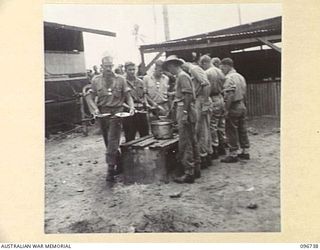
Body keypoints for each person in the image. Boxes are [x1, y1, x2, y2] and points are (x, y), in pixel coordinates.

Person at [88, 55, 135, 181]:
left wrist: (131, 107)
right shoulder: (96, 80)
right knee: (108, 141)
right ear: (102, 66)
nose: (109, 68)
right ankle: (119, 164)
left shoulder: (121, 80)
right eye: (106, 66)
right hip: (103, 114)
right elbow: (90, 97)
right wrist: (95, 109)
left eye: (110, 66)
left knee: (113, 139)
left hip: (117, 113)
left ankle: (110, 169)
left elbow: (128, 96)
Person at [163, 55, 201, 184]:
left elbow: (188, 95)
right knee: (192, 140)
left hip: (186, 110)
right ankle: (196, 169)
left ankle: (189, 172)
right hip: (187, 110)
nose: (169, 71)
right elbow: (184, 93)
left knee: (185, 143)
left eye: (169, 68)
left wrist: (184, 112)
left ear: (173, 66)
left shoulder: (182, 76)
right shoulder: (182, 76)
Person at [182, 62, 212, 168]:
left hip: (200, 100)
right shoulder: (193, 70)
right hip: (199, 100)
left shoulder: (194, 69)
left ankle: (203, 156)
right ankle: (206, 155)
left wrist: (205, 102)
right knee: (203, 130)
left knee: (200, 131)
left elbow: (206, 84)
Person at [220, 58, 250, 163]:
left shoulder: (229, 78)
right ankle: (245, 151)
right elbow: (244, 92)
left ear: (227, 66)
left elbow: (230, 94)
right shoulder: (240, 76)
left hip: (233, 105)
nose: (222, 69)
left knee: (231, 129)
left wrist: (226, 109)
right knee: (242, 129)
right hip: (241, 104)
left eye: (222, 67)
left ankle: (233, 154)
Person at [200, 55, 227, 158]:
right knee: (221, 123)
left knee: (212, 124)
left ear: (204, 63)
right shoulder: (220, 71)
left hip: (213, 98)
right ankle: (222, 146)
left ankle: (215, 147)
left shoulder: (207, 73)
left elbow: (206, 88)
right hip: (220, 97)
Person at [122, 61, 149, 142]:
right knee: (130, 136)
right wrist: (131, 108)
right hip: (128, 112)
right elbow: (120, 101)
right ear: (125, 70)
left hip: (141, 111)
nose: (132, 72)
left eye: (134, 69)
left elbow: (144, 95)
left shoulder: (140, 81)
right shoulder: (122, 82)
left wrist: (146, 104)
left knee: (145, 135)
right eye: (130, 70)